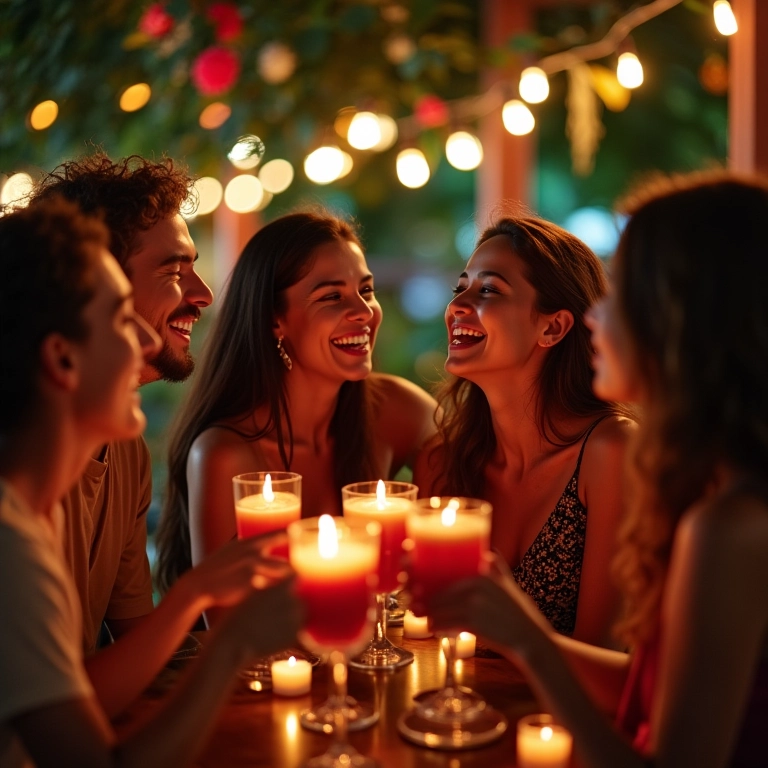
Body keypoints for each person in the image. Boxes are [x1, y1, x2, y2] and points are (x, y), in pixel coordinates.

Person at [427, 171, 768, 768]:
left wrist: (528, 639)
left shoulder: (731, 525)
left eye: (622, 296)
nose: (595, 318)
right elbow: (645, 692)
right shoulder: (720, 492)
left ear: (683, 322)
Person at [0, 197, 301, 767]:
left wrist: (198, 592)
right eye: (119, 319)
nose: (142, 343)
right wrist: (231, 645)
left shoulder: (60, 492)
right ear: (61, 359)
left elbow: (86, 693)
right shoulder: (10, 541)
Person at [27, 151, 258, 718]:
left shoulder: (123, 446)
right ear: (94, 287)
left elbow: (133, 648)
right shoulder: (21, 480)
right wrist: (202, 605)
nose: (203, 294)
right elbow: (64, 719)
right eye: (174, 272)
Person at [155, 210, 437, 595]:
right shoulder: (225, 455)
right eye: (332, 296)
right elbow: (225, 627)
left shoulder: (397, 410)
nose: (364, 312)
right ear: (275, 320)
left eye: (366, 291)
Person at [414, 213, 634, 648]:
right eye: (461, 288)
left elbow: (606, 655)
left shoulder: (609, 453)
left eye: (489, 290)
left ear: (552, 327)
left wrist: (516, 636)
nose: (458, 305)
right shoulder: (441, 462)